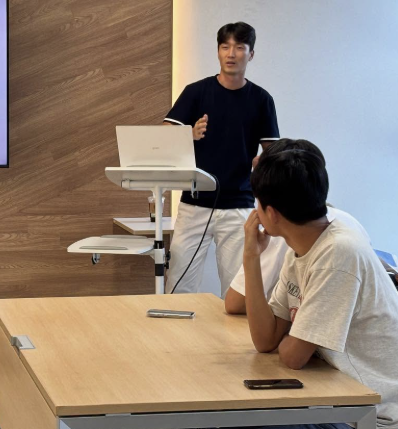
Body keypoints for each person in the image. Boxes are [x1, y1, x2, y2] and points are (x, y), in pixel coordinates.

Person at [243, 139, 398, 428]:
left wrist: (294, 340)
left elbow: (293, 357)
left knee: (245, 421)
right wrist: (251, 257)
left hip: (372, 414)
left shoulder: (338, 252)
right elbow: (265, 340)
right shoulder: (301, 248)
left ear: (271, 214)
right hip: (339, 397)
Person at [164, 22, 279, 295]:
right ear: (217, 51)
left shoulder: (261, 99)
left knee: (237, 289)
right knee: (179, 283)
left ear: (251, 54)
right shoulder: (196, 92)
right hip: (194, 203)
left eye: (239, 47)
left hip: (238, 205)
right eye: (225, 46)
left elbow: (273, 152)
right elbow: (164, 137)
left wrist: (263, 162)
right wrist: (189, 134)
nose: (231, 53)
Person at [225, 139, 370, 314]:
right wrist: (251, 257)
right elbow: (272, 329)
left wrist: (251, 255)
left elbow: (235, 303)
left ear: (271, 212)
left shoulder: (290, 234)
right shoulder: (345, 222)